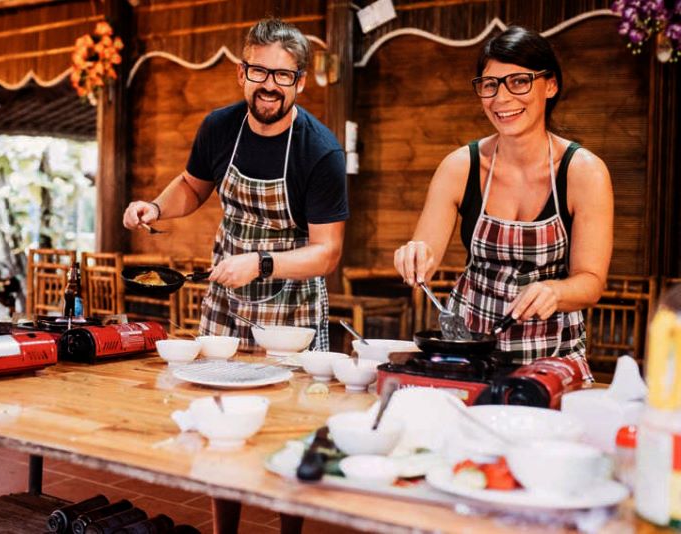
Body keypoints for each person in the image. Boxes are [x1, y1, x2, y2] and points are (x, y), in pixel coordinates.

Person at [393, 26, 613, 380]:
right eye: (490, 84)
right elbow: (426, 252)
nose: (501, 98)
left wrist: (554, 291)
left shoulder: (584, 172)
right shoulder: (460, 166)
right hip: (469, 347)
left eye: (519, 81)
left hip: (552, 355)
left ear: (550, 85)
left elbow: (590, 282)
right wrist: (414, 255)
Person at [123, 18, 348, 350]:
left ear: (299, 83)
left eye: (283, 75)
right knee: (214, 393)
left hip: (290, 309)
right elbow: (191, 185)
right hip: (225, 298)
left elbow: (326, 254)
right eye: (259, 71)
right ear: (242, 74)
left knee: (290, 400)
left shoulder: (320, 151)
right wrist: (156, 207)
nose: (269, 85)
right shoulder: (219, 127)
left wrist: (260, 264)